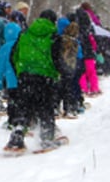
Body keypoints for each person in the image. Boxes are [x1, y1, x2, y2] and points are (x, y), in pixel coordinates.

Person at [4, 10, 66, 153]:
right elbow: (57, 59)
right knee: (45, 108)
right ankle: (46, 138)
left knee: (24, 108)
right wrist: (57, 74)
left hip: (25, 76)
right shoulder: (54, 36)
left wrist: (20, 71)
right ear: (53, 21)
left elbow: (14, 55)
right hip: (45, 77)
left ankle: (17, 137)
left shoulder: (24, 34)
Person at [54, 17, 82, 119]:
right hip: (69, 66)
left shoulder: (57, 38)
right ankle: (68, 108)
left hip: (59, 66)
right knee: (67, 88)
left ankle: (56, 107)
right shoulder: (72, 40)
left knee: (58, 88)